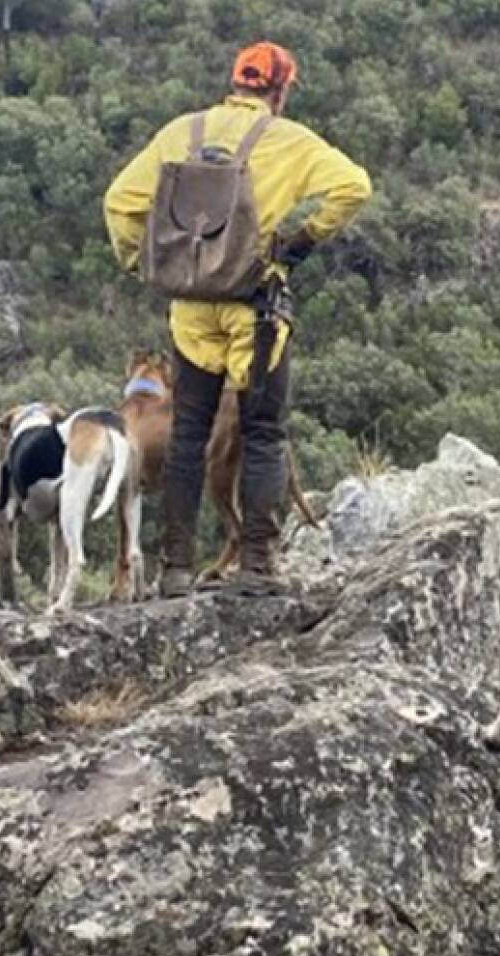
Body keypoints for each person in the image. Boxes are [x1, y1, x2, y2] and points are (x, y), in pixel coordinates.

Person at [103, 41, 372, 596]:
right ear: (281, 89)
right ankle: (256, 566)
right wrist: (300, 243)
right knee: (263, 433)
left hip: (191, 312)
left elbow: (119, 202)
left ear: (235, 82)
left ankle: (174, 569)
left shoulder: (184, 132)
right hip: (256, 312)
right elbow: (354, 187)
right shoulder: (287, 139)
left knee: (186, 437)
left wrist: (143, 262)